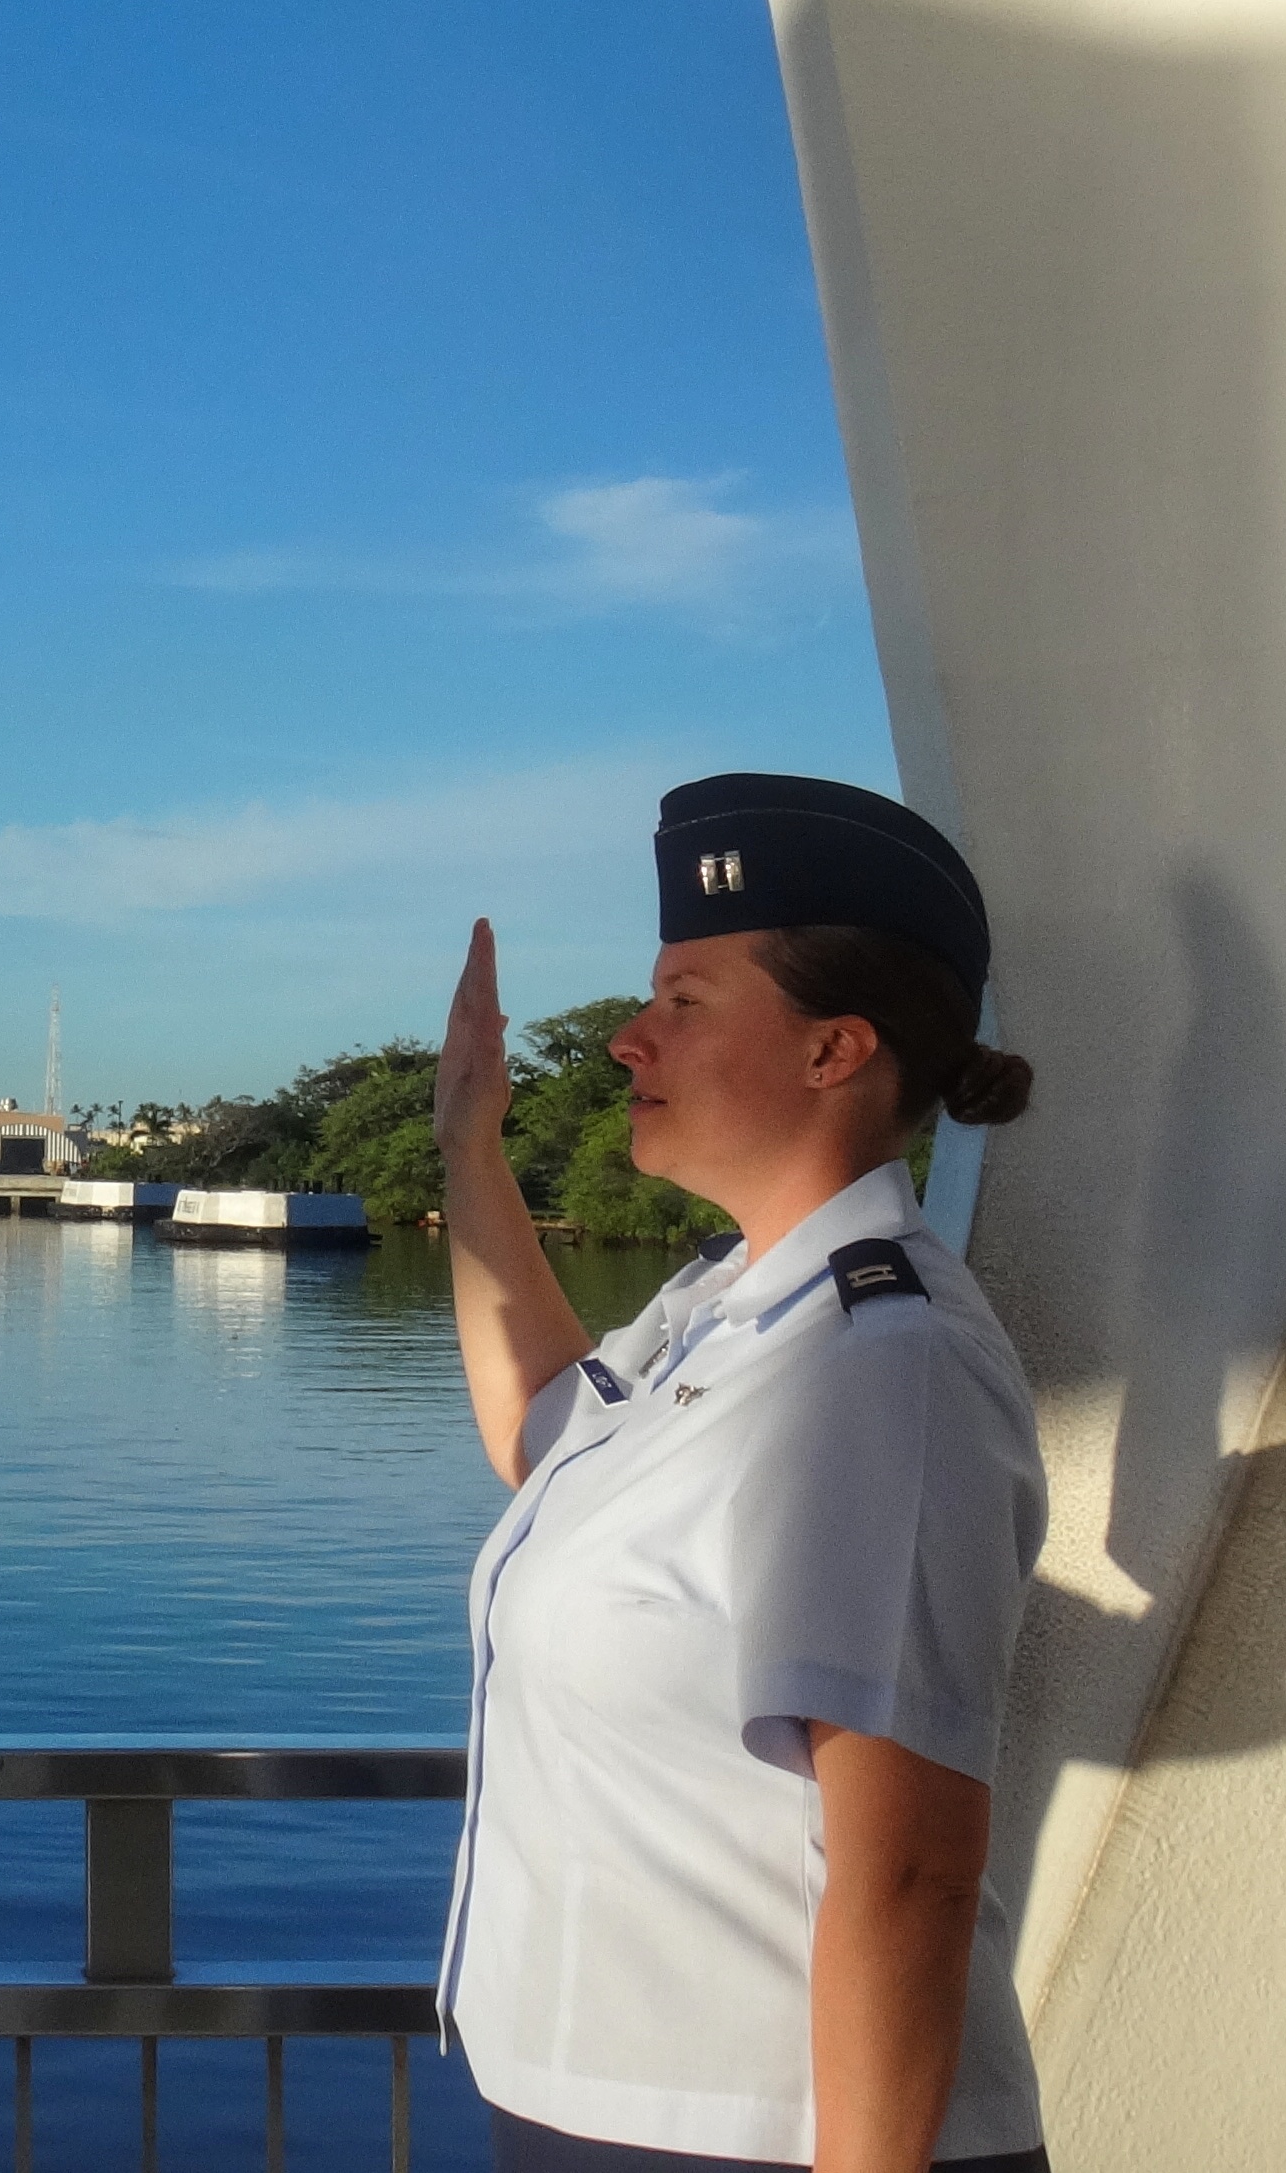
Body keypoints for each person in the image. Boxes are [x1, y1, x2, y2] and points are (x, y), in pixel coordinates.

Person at [432, 774, 1053, 2173]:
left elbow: (909, 1871)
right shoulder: (726, 1313)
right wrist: (470, 1143)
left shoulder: (885, 1364)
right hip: (592, 2117)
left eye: (686, 1000)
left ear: (836, 1047)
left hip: (757, 2142)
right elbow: (537, 1429)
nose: (624, 1038)